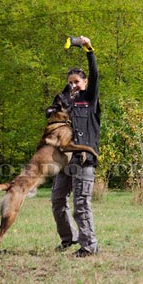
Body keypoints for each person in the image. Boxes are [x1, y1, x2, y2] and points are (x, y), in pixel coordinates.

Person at [50, 36, 100, 257]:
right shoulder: (65, 100)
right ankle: (68, 239)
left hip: (84, 160)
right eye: (70, 82)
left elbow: (95, 75)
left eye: (77, 82)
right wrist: (68, 90)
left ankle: (89, 246)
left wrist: (88, 50)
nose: (73, 85)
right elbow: (53, 111)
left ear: (85, 83)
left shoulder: (90, 99)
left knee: (81, 204)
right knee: (57, 201)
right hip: (65, 160)